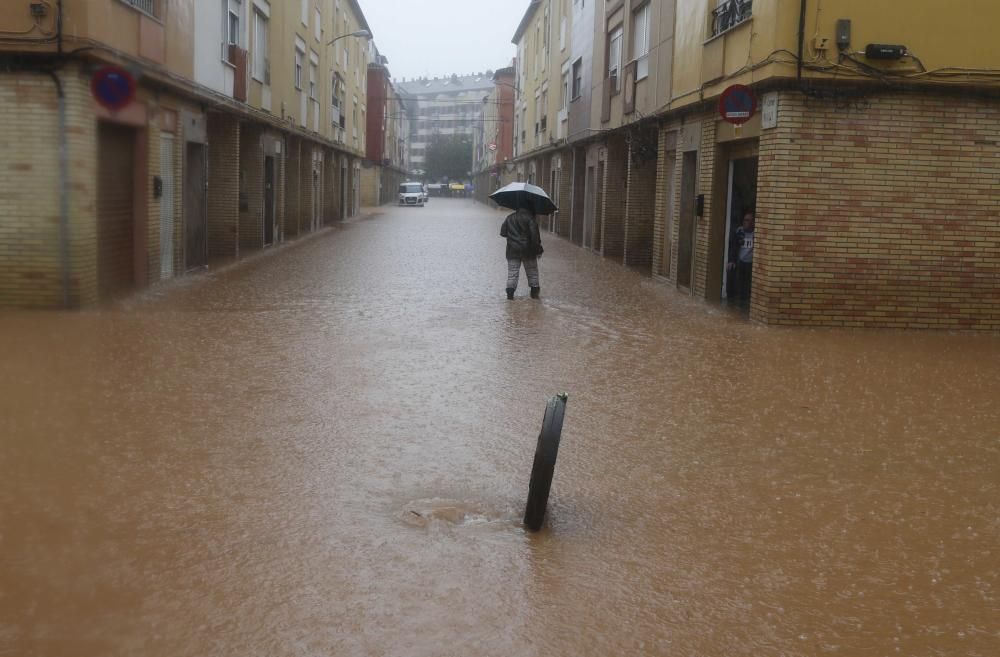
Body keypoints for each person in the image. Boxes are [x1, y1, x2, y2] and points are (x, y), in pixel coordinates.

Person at [500, 206, 543, 299]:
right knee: (532, 272)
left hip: (512, 250)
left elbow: (503, 233)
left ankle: (510, 296)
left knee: (512, 273)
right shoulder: (531, 219)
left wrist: (512, 236)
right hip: (528, 251)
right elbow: (535, 237)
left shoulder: (509, 217)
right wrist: (538, 250)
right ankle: (534, 295)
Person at [727, 210, 755, 305]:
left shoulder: (756, 233)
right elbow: (733, 246)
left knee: (747, 283)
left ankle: (745, 299)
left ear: (753, 222)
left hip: (751, 262)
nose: (746, 222)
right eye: (745, 220)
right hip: (741, 260)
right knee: (737, 278)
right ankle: (734, 297)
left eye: (748, 220)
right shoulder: (739, 231)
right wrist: (732, 260)